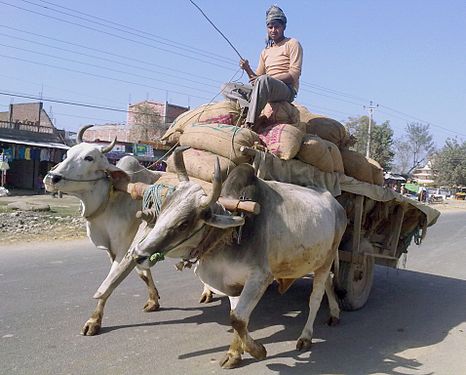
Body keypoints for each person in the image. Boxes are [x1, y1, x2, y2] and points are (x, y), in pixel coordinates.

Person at [238, 5, 303, 129]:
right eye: (270, 27)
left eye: (277, 27)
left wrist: (269, 78)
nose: (273, 30)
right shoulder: (265, 51)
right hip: (266, 86)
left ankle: (250, 123)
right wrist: (247, 68)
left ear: (284, 27)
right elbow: (256, 80)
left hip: (286, 89)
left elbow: (294, 75)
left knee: (264, 80)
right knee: (228, 87)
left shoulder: (292, 43)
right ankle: (247, 110)